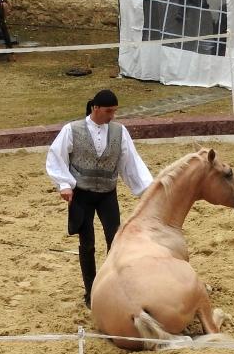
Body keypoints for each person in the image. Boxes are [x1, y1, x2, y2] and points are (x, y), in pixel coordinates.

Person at [45, 89, 153, 305]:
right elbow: (56, 156)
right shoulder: (71, 129)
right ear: (95, 108)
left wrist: (146, 190)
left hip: (107, 195)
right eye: (109, 111)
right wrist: (64, 184)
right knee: (87, 245)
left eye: (114, 111)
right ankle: (90, 292)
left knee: (115, 242)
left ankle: (115, 287)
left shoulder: (119, 132)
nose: (112, 115)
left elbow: (130, 162)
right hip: (82, 195)